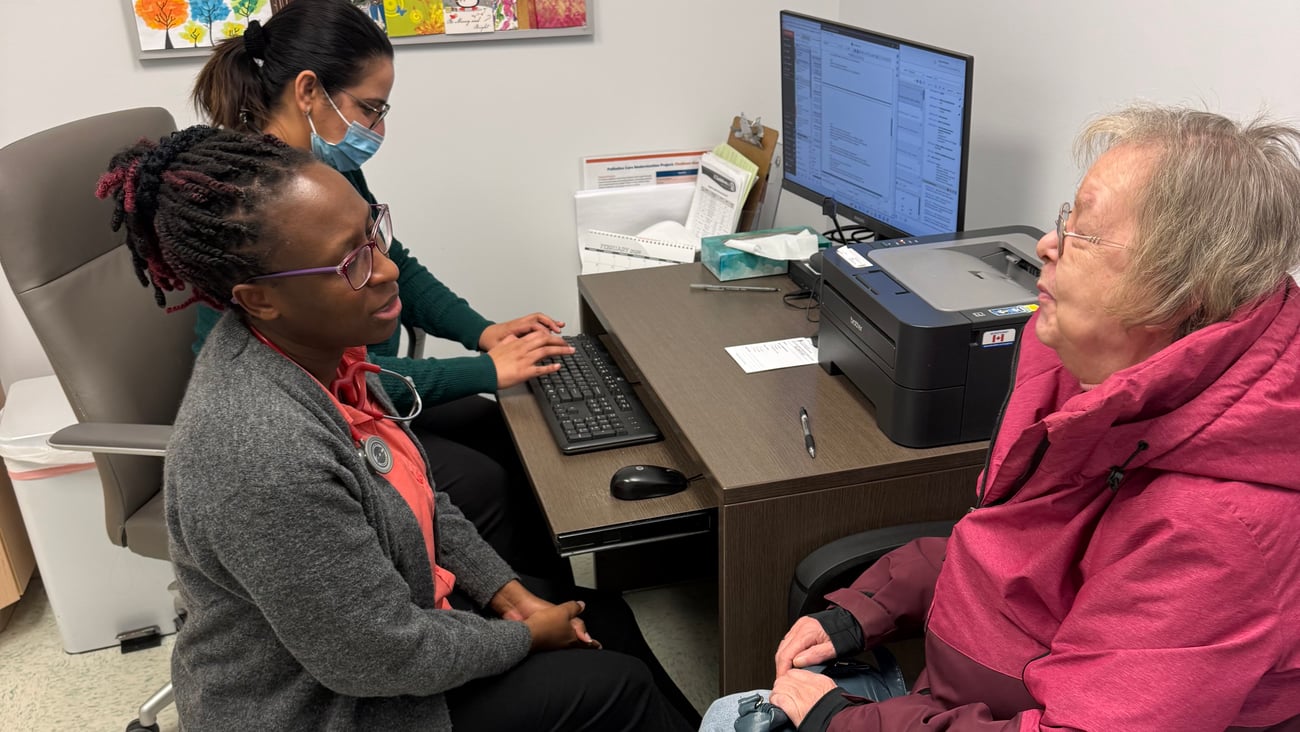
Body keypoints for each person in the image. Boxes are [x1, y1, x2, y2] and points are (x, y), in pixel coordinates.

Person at [703, 105, 1300, 730]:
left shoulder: (1218, 531)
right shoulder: (1088, 381)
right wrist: (870, 605)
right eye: (1066, 219)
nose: (1048, 245)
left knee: (728, 718)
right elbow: (1008, 557)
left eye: (1085, 233)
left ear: (1180, 289)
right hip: (956, 701)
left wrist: (839, 722)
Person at [97, 125, 698, 730]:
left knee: (604, 617)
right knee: (612, 689)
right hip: (322, 706)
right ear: (259, 300)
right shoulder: (263, 451)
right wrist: (525, 638)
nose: (385, 270)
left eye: (372, 234)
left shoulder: (331, 358)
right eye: (350, 263)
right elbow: (378, 658)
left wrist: (507, 593)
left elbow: (422, 501)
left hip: (386, 628)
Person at [191, 0, 571, 584]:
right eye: (370, 108)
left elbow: (396, 266)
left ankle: (547, 600)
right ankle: (490, 613)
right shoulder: (251, 207)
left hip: (364, 394)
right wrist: (487, 369)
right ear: (309, 91)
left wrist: (484, 334)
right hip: (314, 419)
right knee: (481, 483)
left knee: (496, 427)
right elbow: (337, 379)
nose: (379, 129)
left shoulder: (324, 171)